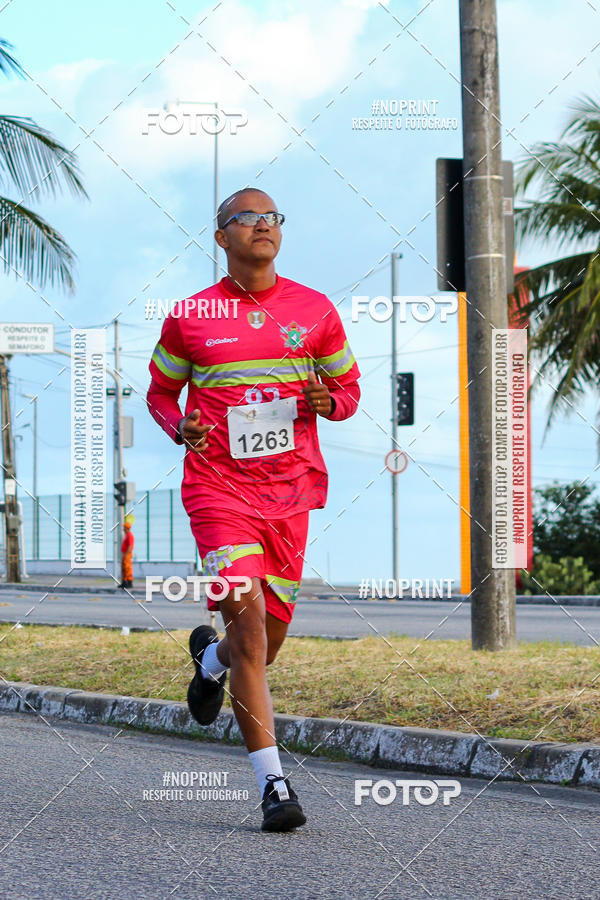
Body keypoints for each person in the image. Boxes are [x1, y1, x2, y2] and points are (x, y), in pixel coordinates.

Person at [147, 188, 361, 831]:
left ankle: (210, 663)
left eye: (272, 217)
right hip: (218, 492)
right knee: (249, 632)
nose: (263, 225)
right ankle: (273, 786)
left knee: (264, 646)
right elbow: (160, 394)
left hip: (289, 493)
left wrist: (329, 403)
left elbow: (349, 391)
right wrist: (179, 426)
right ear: (222, 237)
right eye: (247, 218)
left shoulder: (315, 311)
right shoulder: (191, 316)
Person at [120, 515, 135, 589]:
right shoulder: (127, 535)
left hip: (127, 554)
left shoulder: (130, 535)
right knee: (124, 568)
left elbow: (130, 546)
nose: (123, 529)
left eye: (124, 527)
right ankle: (124, 582)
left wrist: (126, 554)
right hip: (125, 554)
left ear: (127, 528)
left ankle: (129, 583)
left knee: (128, 568)